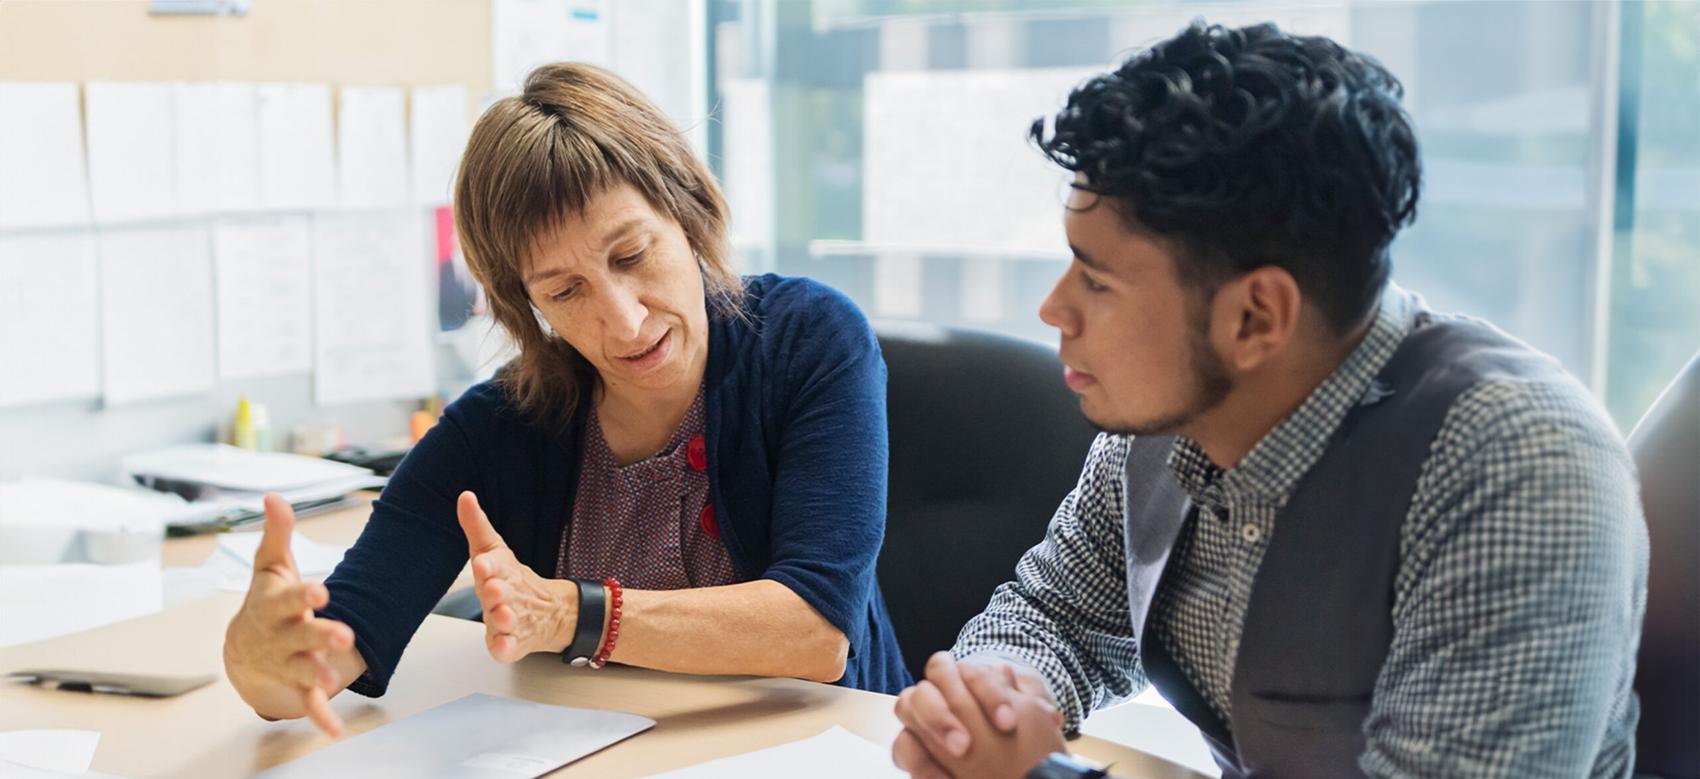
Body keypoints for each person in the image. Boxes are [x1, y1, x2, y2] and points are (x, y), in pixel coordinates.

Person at [892, 21, 1648, 779]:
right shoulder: (1167, 421)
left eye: (1096, 281)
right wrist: (985, 706)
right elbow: (1059, 617)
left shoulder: (1520, 463)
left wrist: (1038, 776)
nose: (1054, 309)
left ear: (1255, 319)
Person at [223, 63, 911, 738]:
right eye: (564, 292)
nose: (624, 321)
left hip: (821, 749)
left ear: (688, 211)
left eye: (632, 254)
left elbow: (816, 631)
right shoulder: (499, 426)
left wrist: (568, 614)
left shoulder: (807, 339)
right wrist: (262, 661)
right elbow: (328, 653)